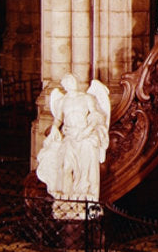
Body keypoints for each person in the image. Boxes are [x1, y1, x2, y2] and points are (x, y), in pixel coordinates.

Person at [36, 74, 110, 203]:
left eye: (73, 80)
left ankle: (84, 195)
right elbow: (58, 119)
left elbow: (96, 115)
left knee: (85, 169)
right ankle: (65, 199)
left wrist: (88, 130)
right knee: (66, 166)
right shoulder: (63, 101)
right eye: (68, 82)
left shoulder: (87, 98)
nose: (72, 83)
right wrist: (54, 127)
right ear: (65, 85)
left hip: (85, 136)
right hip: (70, 136)